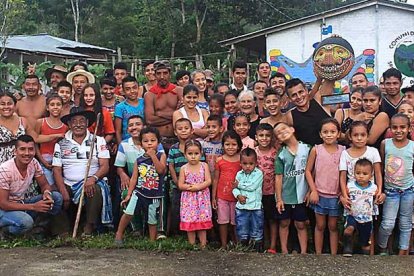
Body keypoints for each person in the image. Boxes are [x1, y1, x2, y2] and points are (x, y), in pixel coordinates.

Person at [53, 107, 111, 236]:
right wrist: (63, 190)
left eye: (81, 121)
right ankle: (63, 231)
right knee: (55, 195)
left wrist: (93, 178)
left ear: (87, 123)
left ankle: (89, 227)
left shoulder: (98, 140)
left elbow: (105, 166)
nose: (78, 125)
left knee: (95, 190)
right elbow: (56, 170)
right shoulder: (61, 143)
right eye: (74, 121)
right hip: (68, 182)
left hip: (91, 181)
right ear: (69, 124)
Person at [0, 135, 62, 236]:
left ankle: (39, 229)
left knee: (56, 197)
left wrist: (47, 193)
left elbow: (45, 184)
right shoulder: (5, 170)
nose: (27, 153)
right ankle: (5, 232)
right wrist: (33, 207)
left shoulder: (33, 162)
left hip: (21, 202)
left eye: (30, 149)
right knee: (26, 222)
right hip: (3, 209)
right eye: (22, 149)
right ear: (15, 152)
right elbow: (3, 204)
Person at [339, 121, 386, 255]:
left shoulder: (373, 152)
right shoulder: (345, 153)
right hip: (352, 197)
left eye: (363, 135)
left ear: (367, 136)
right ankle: (348, 249)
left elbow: (378, 173)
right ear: (350, 136)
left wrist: (379, 191)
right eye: (356, 135)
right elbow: (342, 176)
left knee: (367, 230)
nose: (359, 138)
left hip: (368, 199)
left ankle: (367, 255)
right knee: (350, 228)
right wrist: (343, 195)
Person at [115, 127, 167, 244]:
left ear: (158, 142)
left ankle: (152, 241)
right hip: (139, 192)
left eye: (152, 141)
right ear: (141, 143)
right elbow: (134, 178)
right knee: (129, 212)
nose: (149, 144)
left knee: (152, 219)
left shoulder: (161, 156)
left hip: (154, 194)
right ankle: (119, 234)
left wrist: (153, 156)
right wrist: (128, 195)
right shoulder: (139, 160)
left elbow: (161, 170)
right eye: (146, 141)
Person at [305, 118, 345, 255]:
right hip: (319, 195)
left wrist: (343, 193)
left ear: (338, 134)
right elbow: (308, 171)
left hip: (335, 195)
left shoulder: (343, 150)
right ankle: (318, 254)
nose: (329, 135)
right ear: (320, 134)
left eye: (332, 132)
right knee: (320, 225)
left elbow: (345, 174)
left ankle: (333, 255)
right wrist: (313, 190)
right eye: (325, 132)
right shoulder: (316, 150)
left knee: (333, 226)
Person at [378, 114, 414, 256]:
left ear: (409, 128)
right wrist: (380, 189)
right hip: (390, 191)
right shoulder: (385, 144)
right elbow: (380, 167)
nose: (398, 130)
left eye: (402, 127)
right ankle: (383, 249)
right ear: (390, 128)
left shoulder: (412, 146)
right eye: (395, 127)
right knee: (388, 224)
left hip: (408, 191)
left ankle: (402, 253)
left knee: (405, 224)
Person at [274, 122, 311, 254]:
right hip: (286, 196)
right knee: (284, 223)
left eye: (284, 128)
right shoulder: (281, 154)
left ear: (292, 129)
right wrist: (279, 198)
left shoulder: (307, 148)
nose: (282, 132)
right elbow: (278, 177)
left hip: (302, 195)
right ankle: (284, 250)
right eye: (278, 132)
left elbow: (313, 171)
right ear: (278, 139)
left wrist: (310, 191)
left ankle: (304, 252)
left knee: (300, 224)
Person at [167, 118, 199, 236]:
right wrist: (177, 182)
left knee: (193, 208)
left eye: (186, 128)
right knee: (177, 208)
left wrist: (193, 185)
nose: (183, 131)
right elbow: (170, 165)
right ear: (175, 132)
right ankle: (178, 233)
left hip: (194, 185)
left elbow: (200, 164)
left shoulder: (196, 147)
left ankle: (193, 231)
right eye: (180, 129)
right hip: (177, 186)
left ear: (192, 130)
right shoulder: (173, 148)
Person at [178, 139, 213, 249]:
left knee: (202, 221)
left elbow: (208, 181)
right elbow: (180, 184)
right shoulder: (184, 168)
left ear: (201, 153)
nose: (193, 156)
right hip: (189, 199)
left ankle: (203, 244)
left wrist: (198, 187)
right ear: (185, 154)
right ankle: (192, 244)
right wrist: (189, 188)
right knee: (190, 221)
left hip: (202, 198)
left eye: (196, 153)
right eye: (190, 154)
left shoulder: (204, 166)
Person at [342, 158, 378, 257]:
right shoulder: (350, 186)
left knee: (365, 242)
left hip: (366, 218)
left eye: (365, 174)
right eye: (358, 173)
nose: (361, 176)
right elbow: (342, 195)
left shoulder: (373, 188)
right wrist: (342, 198)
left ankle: (365, 258)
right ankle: (347, 248)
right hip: (352, 214)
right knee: (348, 230)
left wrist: (382, 196)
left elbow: (379, 196)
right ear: (354, 173)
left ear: (371, 175)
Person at [144, 60, 183, 151]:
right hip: (159, 139)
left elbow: (183, 116)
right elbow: (150, 120)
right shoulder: (150, 95)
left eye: (165, 73)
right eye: (158, 73)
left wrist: (160, 114)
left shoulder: (179, 91)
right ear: (155, 75)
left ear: (170, 74)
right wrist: (174, 114)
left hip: (178, 138)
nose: (162, 77)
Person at [212, 130, 242, 249]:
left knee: (235, 221)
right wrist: (213, 197)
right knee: (223, 221)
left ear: (239, 145)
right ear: (223, 145)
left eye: (234, 144)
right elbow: (216, 179)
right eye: (227, 144)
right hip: (222, 196)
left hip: (237, 197)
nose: (230, 147)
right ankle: (223, 244)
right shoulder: (219, 160)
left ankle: (236, 243)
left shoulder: (241, 160)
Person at [285, 78, 333, 146]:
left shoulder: (319, 100)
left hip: (332, 152)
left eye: (301, 92)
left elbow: (331, 78)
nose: (298, 97)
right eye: (294, 95)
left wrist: (320, 75)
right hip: (308, 155)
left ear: (306, 90)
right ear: (289, 99)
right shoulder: (289, 116)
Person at [233, 147, 264, 252]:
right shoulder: (239, 174)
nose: (248, 166)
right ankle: (243, 248)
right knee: (242, 229)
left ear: (255, 163)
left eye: (251, 164)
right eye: (245, 163)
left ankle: (257, 249)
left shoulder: (258, 173)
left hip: (255, 207)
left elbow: (252, 186)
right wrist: (238, 196)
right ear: (240, 163)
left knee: (256, 228)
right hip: (242, 207)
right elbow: (234, 189)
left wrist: (239, 185)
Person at [34, 94, 68, 188]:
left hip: (61, 160)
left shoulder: (65, 125)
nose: (55, 107)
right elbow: (35, 143)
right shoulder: (40, 122)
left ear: (62, 107)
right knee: (49, 187)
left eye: (58, 104)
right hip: (45, 160)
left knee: (61, 187)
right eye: (52, 104)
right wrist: (42, 160)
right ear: (47, 108)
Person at [255, 123, 278, 254]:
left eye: (268, 135)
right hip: (256, 193)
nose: (264, 138)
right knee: (260, 219)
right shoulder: (253, 152)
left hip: (272, 192)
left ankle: (273, 245)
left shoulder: (275, 153)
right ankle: (263, 243)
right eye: (261, 135)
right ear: (256, 137)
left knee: (272, 219)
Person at [114, 76, 145, 144]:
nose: (132, 91)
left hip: (144, 142)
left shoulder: (145, 102)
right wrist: (121, 147)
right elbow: (118, 131)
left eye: (134, 88)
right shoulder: (120, 107)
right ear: (123, 91)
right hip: (127, 143)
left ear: (138, 88)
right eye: (128, 89)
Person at [0, 92, 29, 163]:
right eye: (2, 104)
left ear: (15, 105)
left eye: (9, 104)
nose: (6, 107)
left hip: (21, 161)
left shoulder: (23, 121)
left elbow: (34, 140)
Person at [201, 115, 224, 179]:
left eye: (214, 127)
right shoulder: (204, 144)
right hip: (206, 178)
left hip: (220, 178)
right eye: (208, 127)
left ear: (221, 129)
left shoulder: (224, 145)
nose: (210, 129)